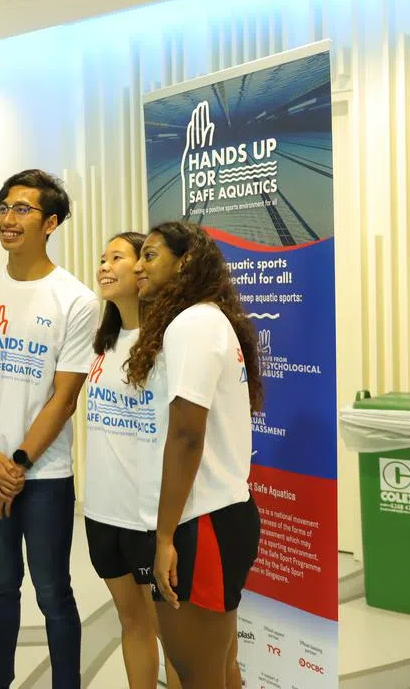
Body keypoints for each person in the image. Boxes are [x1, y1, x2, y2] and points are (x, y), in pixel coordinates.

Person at [0, 169, 100, 689]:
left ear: (52, 222)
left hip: (43, 476)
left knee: (52, 590)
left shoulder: (76, 299)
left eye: (23, 209)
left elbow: (63, 399)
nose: (8, 218)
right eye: (4, 206)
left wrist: (15, 465)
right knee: (0, 587)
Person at [126, 221, 263, 689]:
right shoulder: (202, 319)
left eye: (151, 255)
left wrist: (164, 538)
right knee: (220, 671)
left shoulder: (193, 323)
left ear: (186, 262)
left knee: (198, 675)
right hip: (215, 516)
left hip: (200, 522)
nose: (138, 266)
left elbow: (187, 435)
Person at [83, 232, 181, 689]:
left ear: (142, 267)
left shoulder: (169, 339)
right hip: (102, 511)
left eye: (116, 258)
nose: (104, 266)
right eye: (102, 258)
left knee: (177, 640)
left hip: (149, 516)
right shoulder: (102, 342)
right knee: (133, 624)